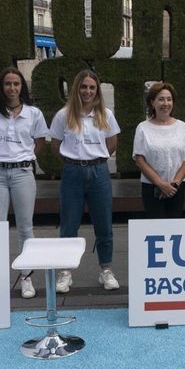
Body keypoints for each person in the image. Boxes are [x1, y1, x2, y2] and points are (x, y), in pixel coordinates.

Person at [0, 67, 49, 299]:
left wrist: (20, 156)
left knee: (26, 228)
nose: (12, 88)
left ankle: (26, 278)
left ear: (22, 87)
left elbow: (39, 142)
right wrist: (2, 155)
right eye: (8, 84)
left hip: (22, 173)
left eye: (16, 84)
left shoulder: (34, 113)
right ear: (1, 87)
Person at [50, 69, 121, 292]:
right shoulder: (64, 115)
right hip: (73, 173)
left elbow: (112, 143)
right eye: (83, 87)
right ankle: (65, 273)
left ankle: (106, 270)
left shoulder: (106, 115)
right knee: (69, 224)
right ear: (76, 89)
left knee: (104, 224)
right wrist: (75, 162)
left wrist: (95, 160)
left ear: (97, 90)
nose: (87, 91)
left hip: (99, 172)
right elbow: (55, 146)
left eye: (92, 87)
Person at [133, 82, 185, 218]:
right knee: (156, 229)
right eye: (161, 99)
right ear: (152, 102)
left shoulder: (181, 126)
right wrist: (161, 184)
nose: (165, 103)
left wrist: (175, 183)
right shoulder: (143, 128)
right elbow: (139, 159)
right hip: (152, 187)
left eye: (169, 99)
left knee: (174, 229)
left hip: (177, 187)